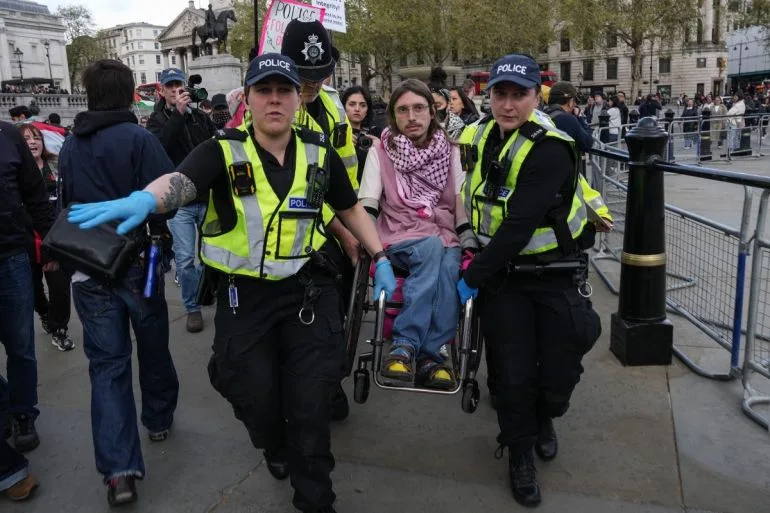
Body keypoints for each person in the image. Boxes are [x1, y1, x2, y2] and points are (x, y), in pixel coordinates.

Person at [67, 53, 397, 513]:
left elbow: (348, 207)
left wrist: (379, 254)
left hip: (308, 292)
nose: (275, 100)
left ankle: (315, 498)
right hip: (245, 299)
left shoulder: (319, 151)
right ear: (250, 98)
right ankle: (274, 445)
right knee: (252, 394)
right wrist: (147, 199)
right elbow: (181, 181)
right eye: (265, 91)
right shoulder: (223, 149)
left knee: (310, 404)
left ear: (296, 98)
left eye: (284, 91)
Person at [456, 54, 601, 507]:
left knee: (560, 369)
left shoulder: (550, 147)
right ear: (488, 95)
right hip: (505, 279)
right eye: (500, 94)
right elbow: (465, 192)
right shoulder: (475, 136)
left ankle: (546, 415)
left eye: (519, 95)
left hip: (552, 271)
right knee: (513, 376)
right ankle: (519, 452)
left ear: (537, 97)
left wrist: (471, 276)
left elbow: (519, 225)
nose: (508, 104)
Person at [57, 59, 179, 506]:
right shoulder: (139, 138)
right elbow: (167, 200)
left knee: (107, 366)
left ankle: (119, 472)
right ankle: (159, 416)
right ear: (130, 94)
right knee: (152, 344)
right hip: (137, 263)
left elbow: (67, 201)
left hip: (89, 265)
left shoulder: (70, 145)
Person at [358, 79, 468, 390]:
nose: (412, 117)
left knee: (449, 263)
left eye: (419, 108)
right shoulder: (381, 151)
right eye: (403, 110)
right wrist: (371, 250)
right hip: (398, 232)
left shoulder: (452, 150)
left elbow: (459, 200)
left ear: (433, 112)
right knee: (433, 249)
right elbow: (367, 201)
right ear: (394, 115)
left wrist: (467, 237)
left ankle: (429, 353)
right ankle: (407, 345)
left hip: (444, 230)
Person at [280, 19, 361, 420]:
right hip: (300, 233)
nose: (311, 84)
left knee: (340, 317)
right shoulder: (277, 109)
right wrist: (343, 229)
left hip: (340, 228)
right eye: (303, 76)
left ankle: (330, 382)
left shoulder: (332, 108)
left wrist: (361, 218)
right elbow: (297, 184)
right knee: (307, 326)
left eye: (319, 74)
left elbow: (346, 172)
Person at [0, 118, 55, 459]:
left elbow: (35, 195)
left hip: (10, 257)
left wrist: (50, 241)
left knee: (20, 345)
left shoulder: (8, 135)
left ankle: (23, 413)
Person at [147, 67, 216, 333]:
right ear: (162, 91)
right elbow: (162, 146)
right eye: (171, 86)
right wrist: (177, 115)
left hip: (205, 194)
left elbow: (210, 148)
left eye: (179, 85)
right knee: (185, 259)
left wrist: (195, 114)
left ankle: (209, 292)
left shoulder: (197, 116)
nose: (176, 90)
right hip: (180, 203)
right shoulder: (156, 121)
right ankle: (192, 308)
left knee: (211, 254)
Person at [18, 124, 75, 351]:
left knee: (60, 286)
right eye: (26, 138)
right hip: (26, 240)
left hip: (56, 235)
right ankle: (43, 312)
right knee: (32, 289)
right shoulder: (14, 170)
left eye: (36, 138)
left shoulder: (56, 164)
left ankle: (59, 329)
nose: (32, 142)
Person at [342, 85, 381, 183]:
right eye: (352, 104)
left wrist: (381, 147)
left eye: (363, 105)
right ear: (343, 107)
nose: (357, 109)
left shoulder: (376, 133)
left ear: (367, 110)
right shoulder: (335, 133)